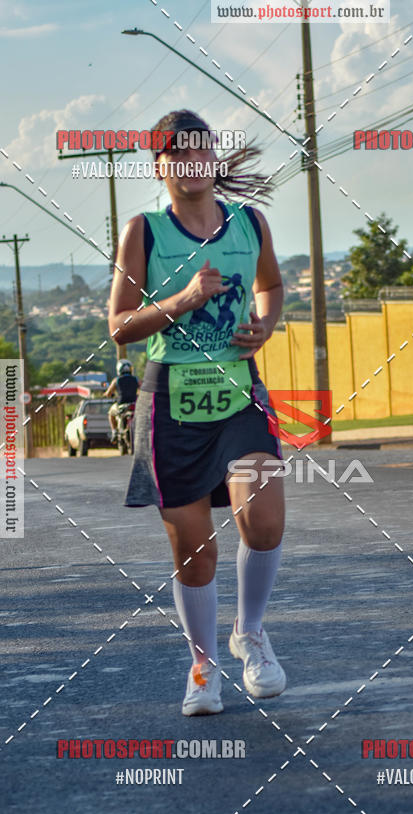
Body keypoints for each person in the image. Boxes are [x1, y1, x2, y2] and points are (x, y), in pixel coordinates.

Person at [107, 110, 286, 716]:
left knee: (263, 519)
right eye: (176, 154)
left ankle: (250, 634)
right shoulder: (145, 232)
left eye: (199, 150)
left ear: (214, 157)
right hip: (171, 404)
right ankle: (204, 667)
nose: (190, 163)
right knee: (194, 550)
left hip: (237, 393)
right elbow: (119, 325)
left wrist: (265, 324)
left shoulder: (249, 223)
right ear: (159, 167)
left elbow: (271, 287)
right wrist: (182, 300)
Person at [104, 359, 139, 442]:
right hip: (134, 404)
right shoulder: (136, 379)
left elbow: (108, 393)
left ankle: (114, 432)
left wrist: (106, 394)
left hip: (121, 405)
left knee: (110, 414)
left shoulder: (116, 380)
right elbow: (143, 389)